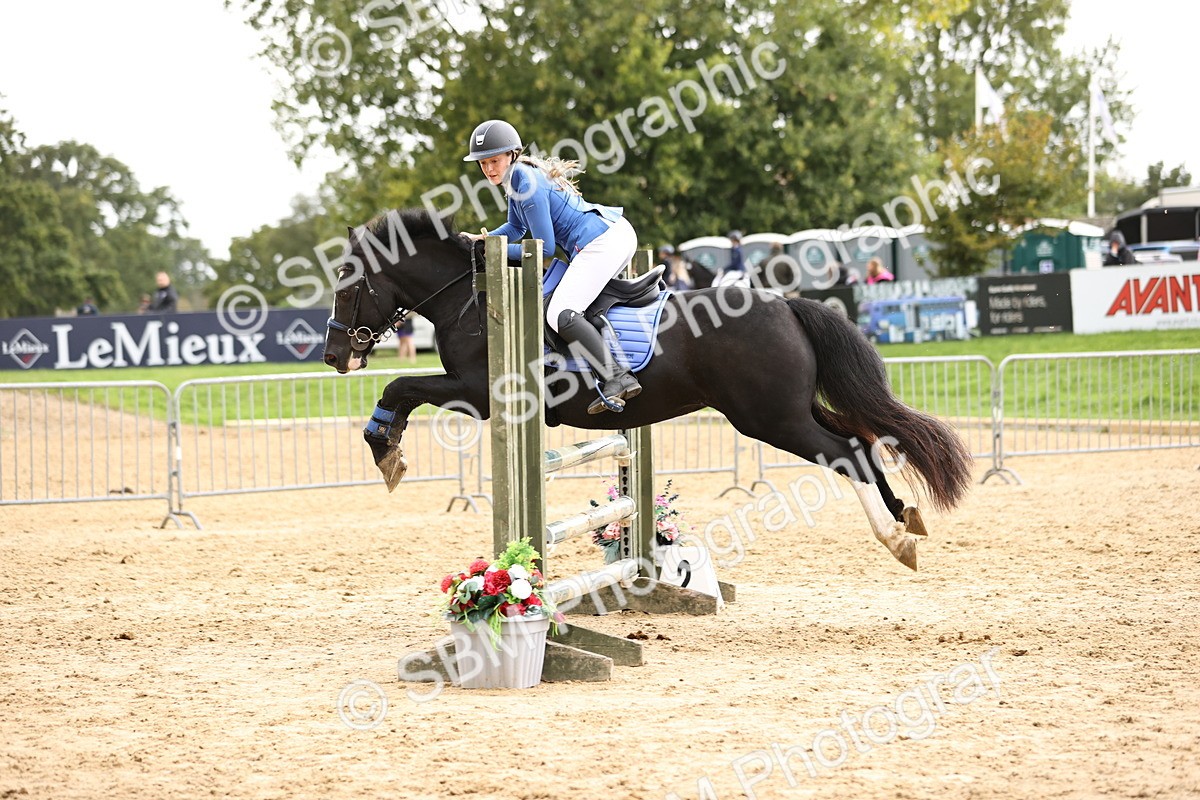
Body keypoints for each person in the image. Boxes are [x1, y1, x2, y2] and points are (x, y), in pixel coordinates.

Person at [463, 119, 640, 414]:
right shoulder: (517, 178)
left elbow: (542, 248)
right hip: (611, 235)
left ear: (512, 155)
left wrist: (493, 250)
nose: (489, 169)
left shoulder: (526, 182)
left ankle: (617, 377)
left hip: (603, 241)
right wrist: (483, 239)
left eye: (494, 160)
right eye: (483, 163)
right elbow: (516, 228)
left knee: (560, 313)